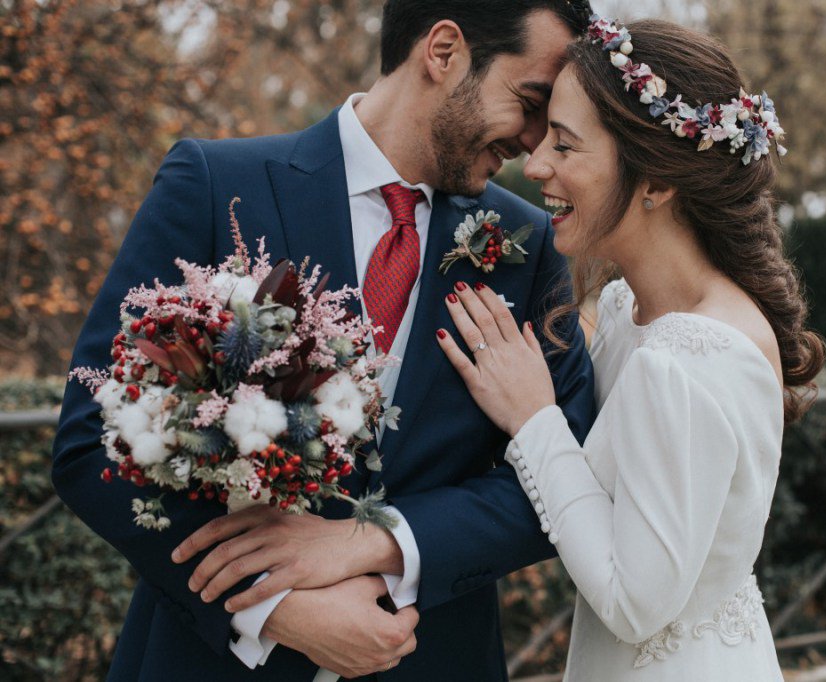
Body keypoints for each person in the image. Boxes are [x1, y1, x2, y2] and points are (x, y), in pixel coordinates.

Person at [51, 1, 597, 680]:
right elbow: (91, 441)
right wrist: (270, 606)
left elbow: (568, 473)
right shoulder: (217, 186)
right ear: (444, 51)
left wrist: (383, 543)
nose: (537, 143)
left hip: (430, 657)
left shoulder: (525, 246)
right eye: (531, 101)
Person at [436, 16, 826, 681]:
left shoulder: (690, 360)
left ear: (657, 181)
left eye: (565, 145)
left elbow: (632, 602)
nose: (534, 166)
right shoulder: (627, 311)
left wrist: (534, 420)